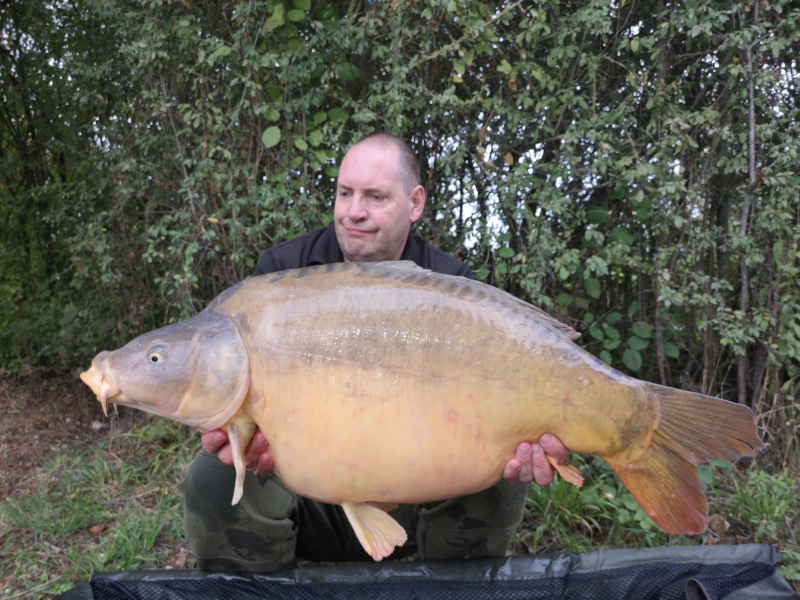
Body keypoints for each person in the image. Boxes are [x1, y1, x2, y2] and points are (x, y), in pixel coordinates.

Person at [180, 133, 570, 572]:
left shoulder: (450, 287)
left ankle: (451, 588)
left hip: (417, 494)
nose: (353, 212)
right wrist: (241, 437)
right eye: (344, 193)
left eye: (375, 196)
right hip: (308, 494)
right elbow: (241, 416)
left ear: (415, 203)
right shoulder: (279, 277)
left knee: (502, 478)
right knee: (213, 474)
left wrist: (529, 438)